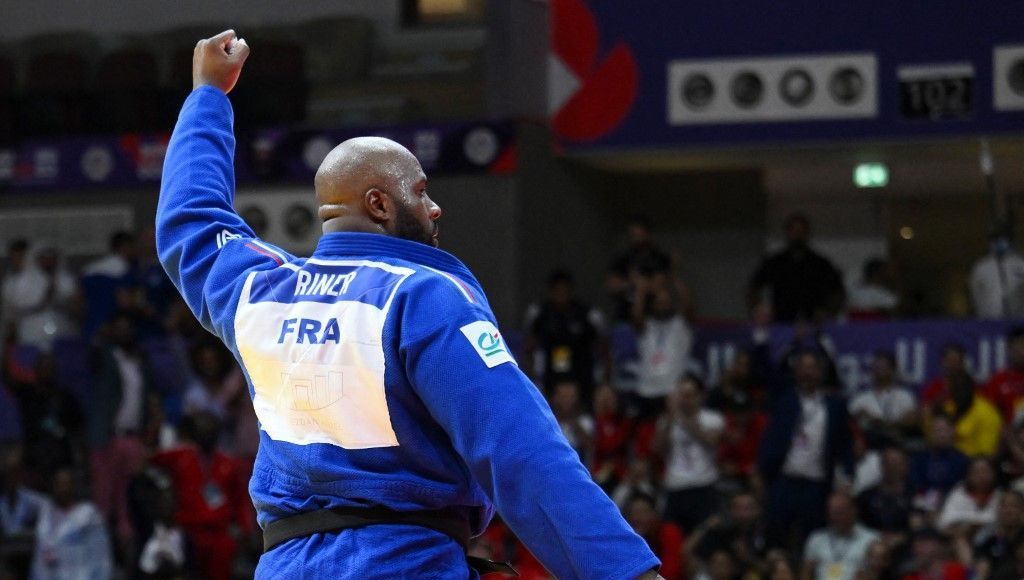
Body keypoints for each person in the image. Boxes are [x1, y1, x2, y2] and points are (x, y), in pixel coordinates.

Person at [156, 30, 661, 579]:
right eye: (421, 191)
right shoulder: (421, 296)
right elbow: (522, 453)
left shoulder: (259, 291)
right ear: (379, 203)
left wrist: (207, 95)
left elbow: (192, 221)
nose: (436, 207)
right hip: (404, 563)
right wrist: (627, 572)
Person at [759, 351, 855, 551]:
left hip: (815, 486)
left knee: (812, 540)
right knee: (776, 537)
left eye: (812, 367)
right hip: (783, 481)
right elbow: (765, 373)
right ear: (795, 371)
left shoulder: (834, 405)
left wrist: (847, 475)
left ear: (821, 372)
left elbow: (845, 444)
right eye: (803, 367)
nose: (807, 372)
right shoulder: (783, 400)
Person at [152, 412, 252, 580]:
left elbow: (240, 499)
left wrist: (245, 529)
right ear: (194, 433)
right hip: (187, 532)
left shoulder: (229, 464)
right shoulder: (181, 456)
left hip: (219, 534)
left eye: (210, 429)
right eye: (202, 429)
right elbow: (151, 459)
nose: (206, 433)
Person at [523, 269, 608, 398]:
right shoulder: (540, 314)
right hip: (550, 374)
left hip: (581, 373)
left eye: (564, 291)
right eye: (557, 291)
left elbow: (604, 349)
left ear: (571, 291)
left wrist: (604, 381)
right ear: (550, 292)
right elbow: (529, 348)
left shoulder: (587, 315)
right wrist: (531, 379)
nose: (561, 296)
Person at [656, 375, 725, 533]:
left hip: (703, 486)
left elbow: (710, 440)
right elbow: (658, 448)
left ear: (701, 396)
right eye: (682, 395)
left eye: (690, 395)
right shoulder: (668, 420)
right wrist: (669, 417)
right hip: (675, 486)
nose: (686, 400)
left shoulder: (712, 418)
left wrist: (681, 416)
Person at [748, 212, 845, 323]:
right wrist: (758, 308)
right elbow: (753, 289)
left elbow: (838, 292)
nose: (798, 234)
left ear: (807, 233)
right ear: (787, 232)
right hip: (780, 322)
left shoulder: (821, 264)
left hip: (814, 324)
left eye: (801, 231)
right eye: (794, 230)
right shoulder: (774, 262)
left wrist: (828, 311)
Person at [30, 468, 112, 580]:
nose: (61, 489)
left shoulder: (88, 515)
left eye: (65, 484)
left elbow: (101, 558)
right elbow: (38, 558)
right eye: (58, 484)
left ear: (73, 486)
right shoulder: (46, 514)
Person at [632, 276, 694, 420]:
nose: (663, 305)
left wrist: (673, 276)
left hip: (672, 390)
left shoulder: (682, 324)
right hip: (646, 390)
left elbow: (689, 304)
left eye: (667, 302)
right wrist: (641, 292)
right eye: (659, 302)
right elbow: (636, 315)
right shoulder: (646, 325)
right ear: (652, 305)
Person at [0, 245, 79, 351]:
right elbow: (18, 307)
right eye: (44, 258)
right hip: (32, 332)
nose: (48, 261)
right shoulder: (22, 281)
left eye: (51, 258)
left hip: (62, 330)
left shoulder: (67, 280)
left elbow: (75, 305)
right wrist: (44, 301)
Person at [801, 492, 879, 580]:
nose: (834, 517)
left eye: (839, 512)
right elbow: (806, 572)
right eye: (831, 512)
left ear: (853, 511)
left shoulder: (871, 539)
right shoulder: (816, 539)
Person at [849, 351, 917, 447]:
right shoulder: (860, 398)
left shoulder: (905, 396)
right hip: (868, 448)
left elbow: (912, 421)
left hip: (898, 447)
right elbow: (849, 423)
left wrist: (880, 423)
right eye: (876, 367)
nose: (879, 370)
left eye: (883, 367)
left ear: (893, 370)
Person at [80, 230, 139, 338]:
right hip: (112, 328)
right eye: (133, 247)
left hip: (90, 325)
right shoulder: (123, 269)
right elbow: (124, 301)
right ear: (125, 246)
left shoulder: (90, 269)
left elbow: (79, 300)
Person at [932, 371, 1002, 458]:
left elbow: (986, 454)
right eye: (956, 389)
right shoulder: (949, 406)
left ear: (973, 389)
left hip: (972, 463)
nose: (960, 394)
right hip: (946, 459)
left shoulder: (987, 414)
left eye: (963, 389)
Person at [909, 415, 969, 512]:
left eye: (943, 430)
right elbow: (915, 485)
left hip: (953, 507)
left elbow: (962, 489)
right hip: (922, 506)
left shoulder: (962, 461)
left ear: (952, 431)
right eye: (936, 430)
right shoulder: (919, 458)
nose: (940, 434)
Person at [626, 494, 686, 580]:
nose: (637, 518)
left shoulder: (669, 532)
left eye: (643, 512)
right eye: (634, 513)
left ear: (654, 514)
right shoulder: (627, 540)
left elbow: (670, 573)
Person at [969, 224, 1024, 319]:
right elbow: (976, 295)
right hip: (990, 321)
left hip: (1019, 321)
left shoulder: (1021, 264)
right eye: (994, 239)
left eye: (1002, 238)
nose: (998, 242)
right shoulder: (981, 268)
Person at [937, 458, 1002, 534]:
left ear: (994, 474)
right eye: (977, 472)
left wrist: (972, 524)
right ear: (968, 475)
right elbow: (945, 523)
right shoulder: (958, 493)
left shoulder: (1001, 495)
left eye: (985, 471)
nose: (981, 476)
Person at [972, 491, 1024, 580]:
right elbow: (979, 561)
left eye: (1014, 506)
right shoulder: (989, 538)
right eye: (1004, 506)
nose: (1008, 511)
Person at [983, 328, 1024, 423]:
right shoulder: (998, 379)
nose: (1022, 352)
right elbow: (988, 413)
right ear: (1009, 349)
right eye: (1020, 346)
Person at [901, 528, 969, 580]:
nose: (917, 550)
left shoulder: (958, 572)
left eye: (923, 545)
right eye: (915, 546)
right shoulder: (911, 578)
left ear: (939, 546)